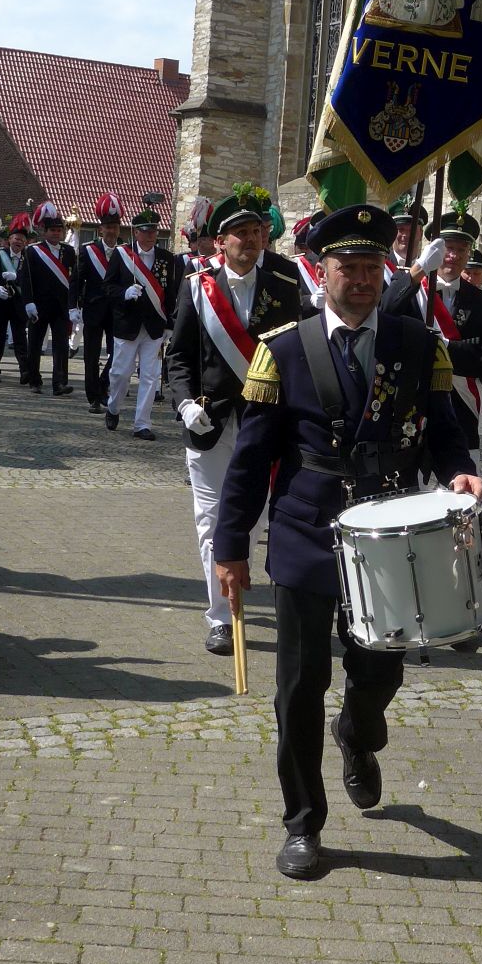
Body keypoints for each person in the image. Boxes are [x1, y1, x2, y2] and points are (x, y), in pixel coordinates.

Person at [213, 203, 482, 880]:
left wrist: (458, 469)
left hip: (388, 532)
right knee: (299, 687)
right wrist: (230, 547)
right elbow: (250, 460)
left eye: (371, 268)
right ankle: (304, 823)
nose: (361, 281)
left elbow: (444, 428)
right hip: (306, 532)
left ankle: (356, 733)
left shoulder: (417, 344)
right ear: (323, 270)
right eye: (348, 268)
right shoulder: (283, 350)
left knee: (380, 673)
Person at [164, 188, 301, 653]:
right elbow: (179, 357)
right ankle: (221, 617)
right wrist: (185, 404)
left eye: (256, 231)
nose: (251, 239)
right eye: (241, 233)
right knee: (211, 519)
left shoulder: (284, 283)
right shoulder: (196, 287)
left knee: (253, 517)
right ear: (220, 242)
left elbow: (294, 355)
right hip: (210, 422)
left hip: (265, 421)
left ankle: (235, 589)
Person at [382, 207, 482, 472]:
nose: (453, 256)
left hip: (461, 412)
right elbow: (384, 313)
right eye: (448, 248)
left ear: (469, 254)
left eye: (461, 249)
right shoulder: (408, 284)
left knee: (463, 485)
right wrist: (419, 270)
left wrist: (445, 347)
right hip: (412, 406)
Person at [104, 207, 178, 437]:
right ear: (136, 232)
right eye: (145, 231)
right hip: (127, 324)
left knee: (150, 376)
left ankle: (142, 424)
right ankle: (113, 407)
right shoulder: (122, 254)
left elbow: (171, 293)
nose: (150, 236)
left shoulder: (167, 258)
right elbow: (108, 286)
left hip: (154, 326)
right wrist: (124, 293)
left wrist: (170, 324)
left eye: (153, 231)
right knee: (120, 373)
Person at [18, 205, 77, 395]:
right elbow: (25, 279)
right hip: (39, 305)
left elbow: (74, 279)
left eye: (59, 230)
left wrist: (74, 304)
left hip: (61, 306)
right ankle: (34, 380)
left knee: (61, 345)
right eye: (53, 230)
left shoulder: (68, 251)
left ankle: (59, 383)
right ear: (45, 231)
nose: (56, 233)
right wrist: (28, 302)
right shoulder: (33, 251)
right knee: (35, 344)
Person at [72, 194, 123, 412]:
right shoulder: (88, 251)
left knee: (118, 353)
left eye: (115, 227)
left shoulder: (125, 251)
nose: (111, 231)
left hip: (117, 311)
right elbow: (76, 280)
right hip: (93, 309)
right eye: (108, 227)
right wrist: (72, 306)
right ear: (100, 229)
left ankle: (104, 384)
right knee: (91, 356)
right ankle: (93, 397)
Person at [0, 216, 31, 381]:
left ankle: (25, 372)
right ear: (9, 240)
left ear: (25, 243)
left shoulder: (28, 258)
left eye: (22, 240)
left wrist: (17, 277)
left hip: (18, 304)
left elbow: (32, 280)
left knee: (20, 339)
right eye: (16, 238)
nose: (18, 242)